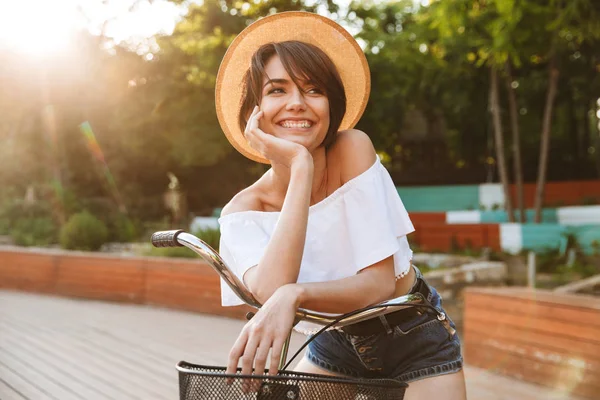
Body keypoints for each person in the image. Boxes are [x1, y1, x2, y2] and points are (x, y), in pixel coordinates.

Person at [214, 11, 467, 399]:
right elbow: (269, 291)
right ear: (254, 110)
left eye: (313, 90)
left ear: (331, 104)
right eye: (277, 90)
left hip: (413, 336)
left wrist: (295, 295)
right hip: (335, 345)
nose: (297, 103)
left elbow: (378, 282)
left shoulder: (352, 149)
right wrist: (299, 167)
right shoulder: (243, 210)